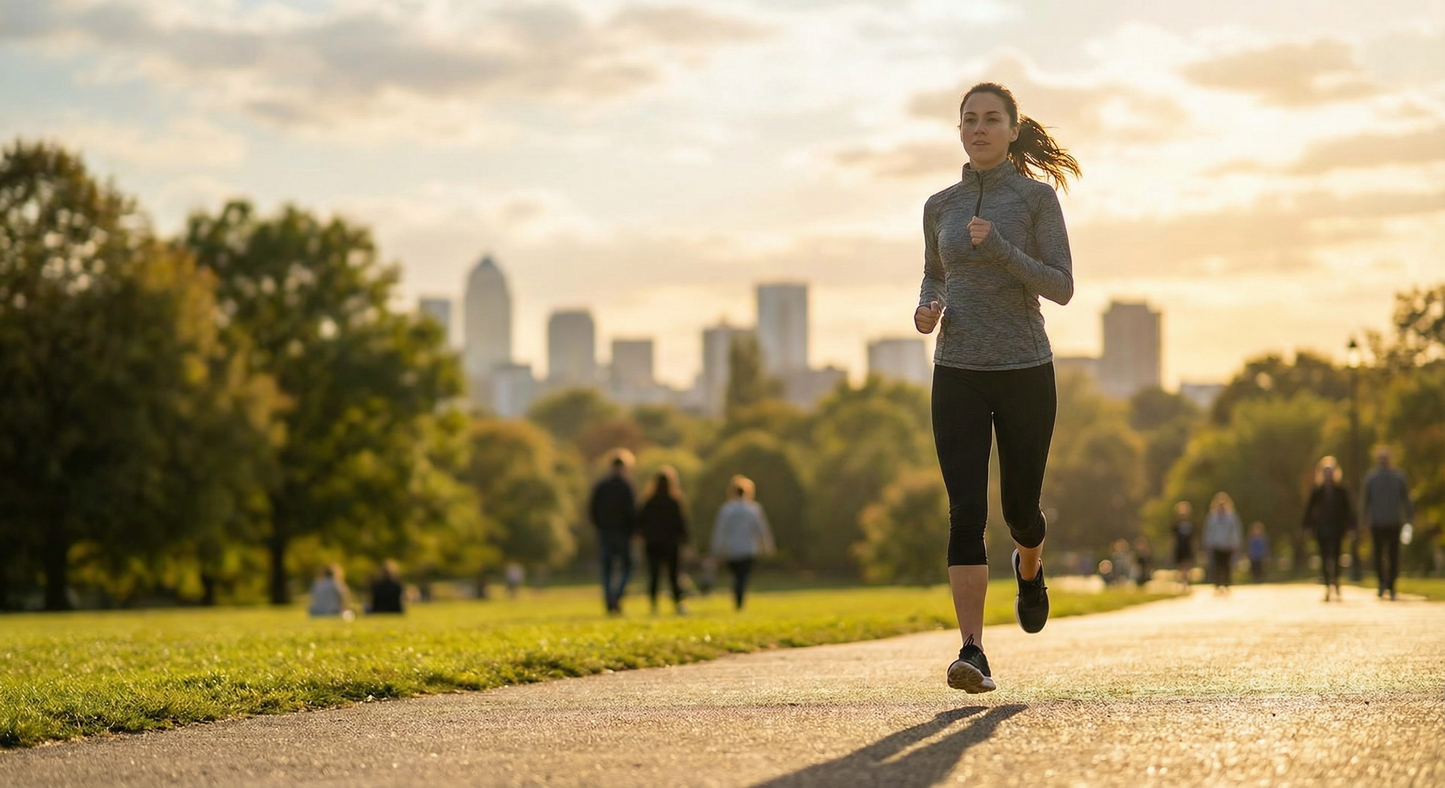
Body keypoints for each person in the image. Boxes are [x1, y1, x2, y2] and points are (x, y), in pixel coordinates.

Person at [913, 81, 1079, 694]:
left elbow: (1061, 286)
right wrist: (928, 307)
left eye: (990, 120)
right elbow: (935, 274)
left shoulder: (1037, 200)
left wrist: (1003, 247)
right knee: (965, 510)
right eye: (969, 120)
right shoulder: (939, 205)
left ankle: (1029, 569)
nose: (978, 129)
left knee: (1020, 511)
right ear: (959, 131)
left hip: (1024, 369)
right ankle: (973, 650)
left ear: (1013, 129)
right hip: (956, 369)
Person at [710, 475, 775, 611]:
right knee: (742, 577)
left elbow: (720, 531)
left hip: (731, 550)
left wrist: (716, 549)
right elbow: (761, 529)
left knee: (736, 577)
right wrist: (768, 546)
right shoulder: (753, 509)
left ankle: (737, 599)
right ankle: (740, 600)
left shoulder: (726, 510)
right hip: (748, 549)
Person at [637, 466, 691, 615]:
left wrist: (645, 536)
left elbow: (640, 522)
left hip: (653, 543)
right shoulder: (674, 502)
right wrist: (685, 541)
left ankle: (653, 604)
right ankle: (678, 602)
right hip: (671, 544)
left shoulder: (649, 502)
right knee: (674, 575)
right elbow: (681, 523)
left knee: (653, 575)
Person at [1361, 446, 1414, 601]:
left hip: (1394, 521)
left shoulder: (1398, 477)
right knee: (1378, 555)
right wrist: (1364, 520)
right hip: (1377, 522)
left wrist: (1410, 518)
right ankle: (1382, 583)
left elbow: (1406, 499)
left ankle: (1391, 585)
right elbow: (1366, 501)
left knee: (1393, 555)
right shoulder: (1372, 478)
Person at [588, 449, 637, 615]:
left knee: (607, 570)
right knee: (627, 568)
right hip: (622, 534)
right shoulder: (626, 486)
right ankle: (616, 596)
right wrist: (632, 531)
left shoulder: (601, 486)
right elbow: (631, 513)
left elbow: (592, 510)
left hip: (605, 533)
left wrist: (600, 526)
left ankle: (610, 600)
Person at [1302, 456, 1356, 602]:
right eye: (1325, 471)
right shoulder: (1317, 491)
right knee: (1325, 557)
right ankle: (1327, 585)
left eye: (1330, 471)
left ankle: (1336, 581)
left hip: (1338, 528)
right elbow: (1309, 510)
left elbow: (1348, 510)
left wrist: (1351, 526)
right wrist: (1307, 526)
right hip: (1322, 528)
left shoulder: (1341, 490)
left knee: (1337, 556)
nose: (1328, 474)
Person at [1201, 492, 1242, 592]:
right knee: (1217, 565)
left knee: (1226, 565)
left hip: (1227, 545)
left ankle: (1227, 583)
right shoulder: (1212, 517)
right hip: (1216, 545)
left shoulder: (1231, 516)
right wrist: (1208, 543)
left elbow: (1235, 531)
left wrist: (1235, 543)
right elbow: (1208, 531)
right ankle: (1218, 583)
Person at [1170, 501, 1196, 590]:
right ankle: (1181, 582)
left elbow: (1193, 537)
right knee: (1180, 566)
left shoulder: (1191, 524)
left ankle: (1187, 582)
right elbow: (1172, 536)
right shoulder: (1176, 524)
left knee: (1187, 565)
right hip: (1179, 547)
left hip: (1187, 547)